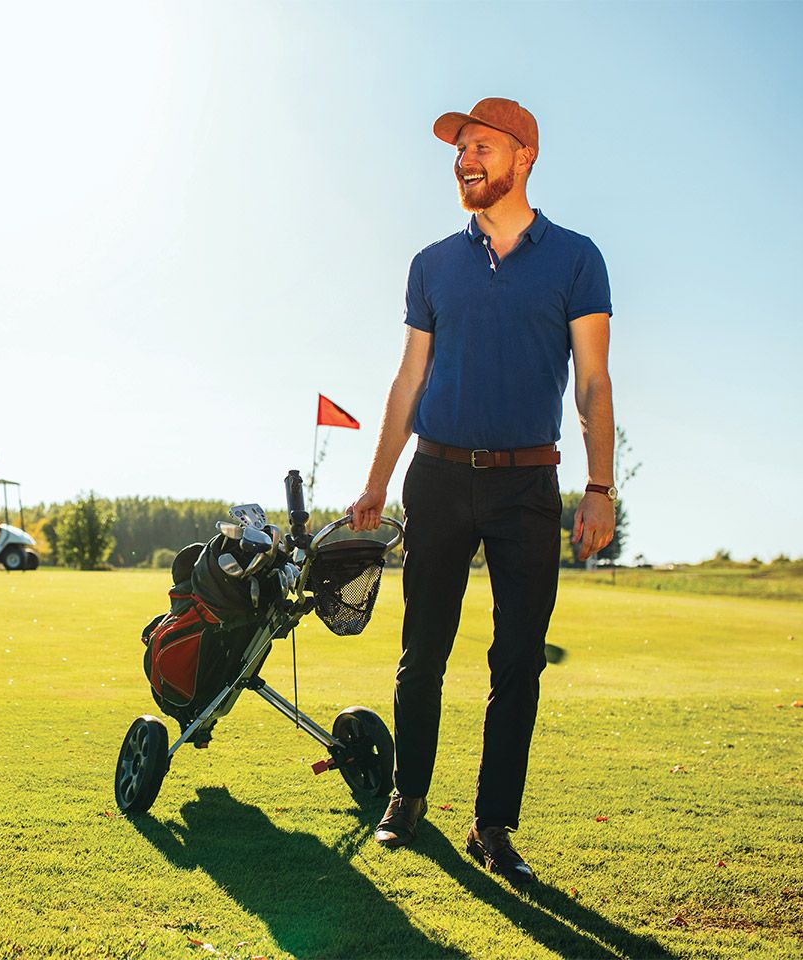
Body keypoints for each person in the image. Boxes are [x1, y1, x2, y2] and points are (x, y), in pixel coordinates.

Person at [346, 97, 616, 885]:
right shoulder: (431, 264)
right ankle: (407, 798)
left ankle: (493, 825)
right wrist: (376, 482)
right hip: (436, 476)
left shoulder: (576, 258)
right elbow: (409, 379)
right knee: (420, 651)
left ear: (523, 156)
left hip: (530, 483)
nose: (465, 158)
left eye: (482, 146)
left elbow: (594, 382)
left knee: (518, 662)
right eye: (459, 148)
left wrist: (599, 485)